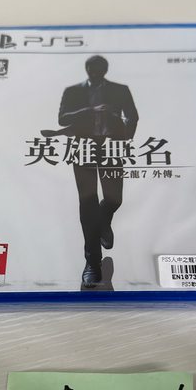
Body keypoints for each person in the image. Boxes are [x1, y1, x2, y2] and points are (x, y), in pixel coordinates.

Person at [57, 55, 139, 287]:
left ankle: (103, 220)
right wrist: (89, 110)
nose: (95, 73)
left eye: (99, 69)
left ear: (105, 70)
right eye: (92, 69)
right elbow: (62, 119)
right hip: (83, 148)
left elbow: (133, 116)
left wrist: (125, 139)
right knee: (88, 203)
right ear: (87, 69)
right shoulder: (73, 91)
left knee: (115, 198)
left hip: (112, 146)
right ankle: (92, 262)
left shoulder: (120, 90)